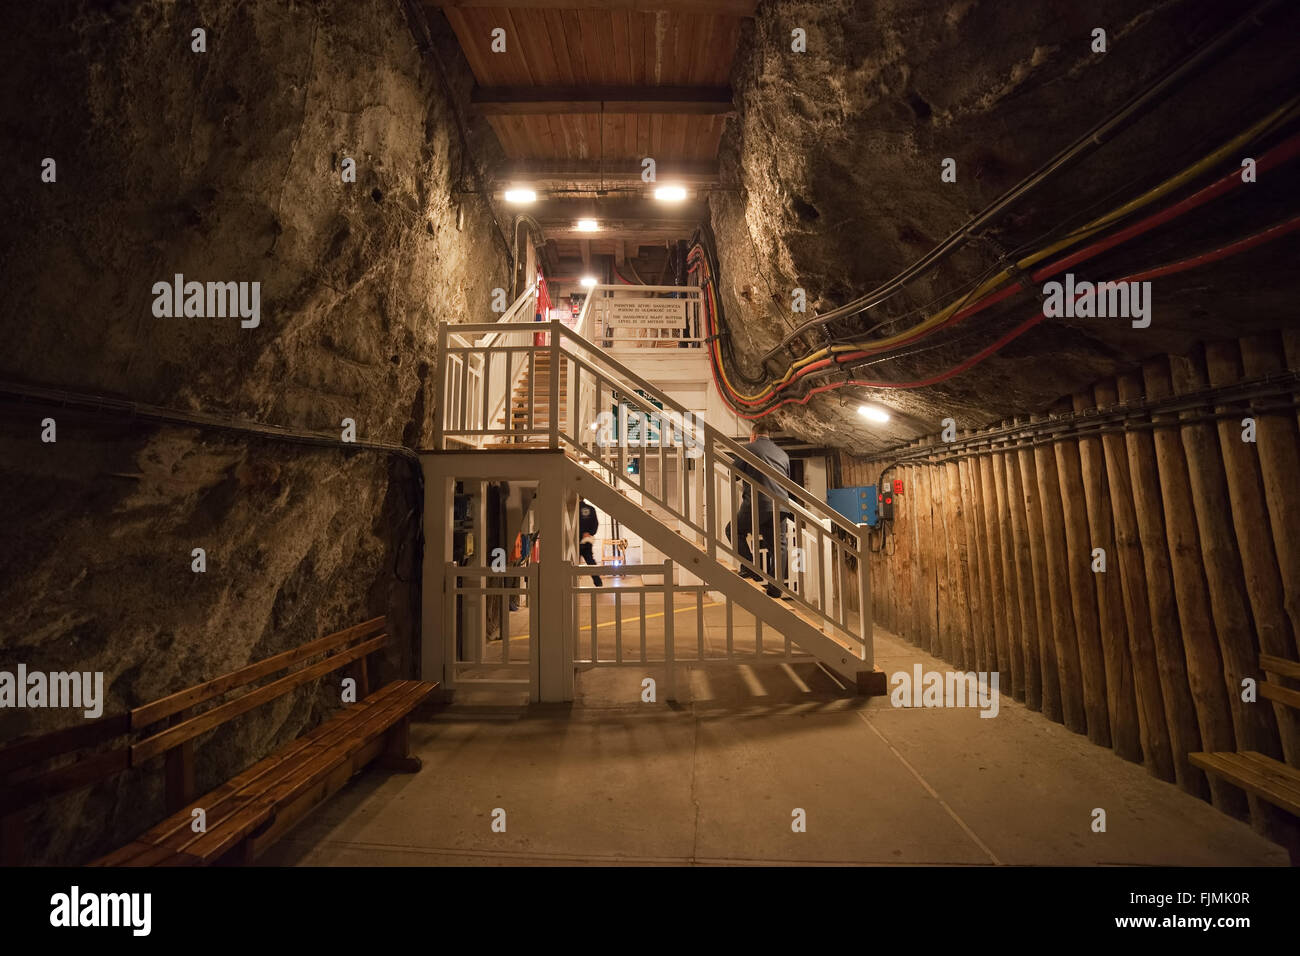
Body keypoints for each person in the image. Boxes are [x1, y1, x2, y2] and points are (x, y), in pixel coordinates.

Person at [733, 424, 792, 598]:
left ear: (753, 435)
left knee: (734, 530)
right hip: (781, 505)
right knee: (779, 546)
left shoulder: (750, 449)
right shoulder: (782, 454)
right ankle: (775, 588)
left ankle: (750, 567)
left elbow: (734, 472)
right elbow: (786, 479)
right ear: (768, 434)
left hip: (758, 503)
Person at [578, 499, 603, 587]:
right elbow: (595, 524)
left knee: (572, 563)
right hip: (587, 540)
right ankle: (598, 582)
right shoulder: (591, 509)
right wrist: (589, 533)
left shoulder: (573, 509)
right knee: (590, 561)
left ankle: (571, 583)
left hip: (575, 540)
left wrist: (581, 534)